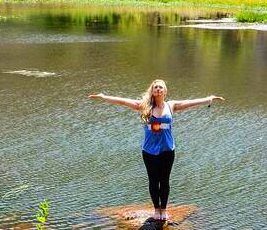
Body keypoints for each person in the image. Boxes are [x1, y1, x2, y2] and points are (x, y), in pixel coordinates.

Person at [89, 79, 224, 221]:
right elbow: (123, 101)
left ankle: (163, 210)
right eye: (155, 87)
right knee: (153, 180)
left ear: (165, 91)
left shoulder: (171, 106)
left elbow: (191, 103)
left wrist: (209, 99)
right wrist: (104, 97)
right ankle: (156, 210)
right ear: (152, 91)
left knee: (164, 180)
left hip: (167, 149)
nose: (158, 89)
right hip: (149, 150)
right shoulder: (144, 106)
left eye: (161, 87)